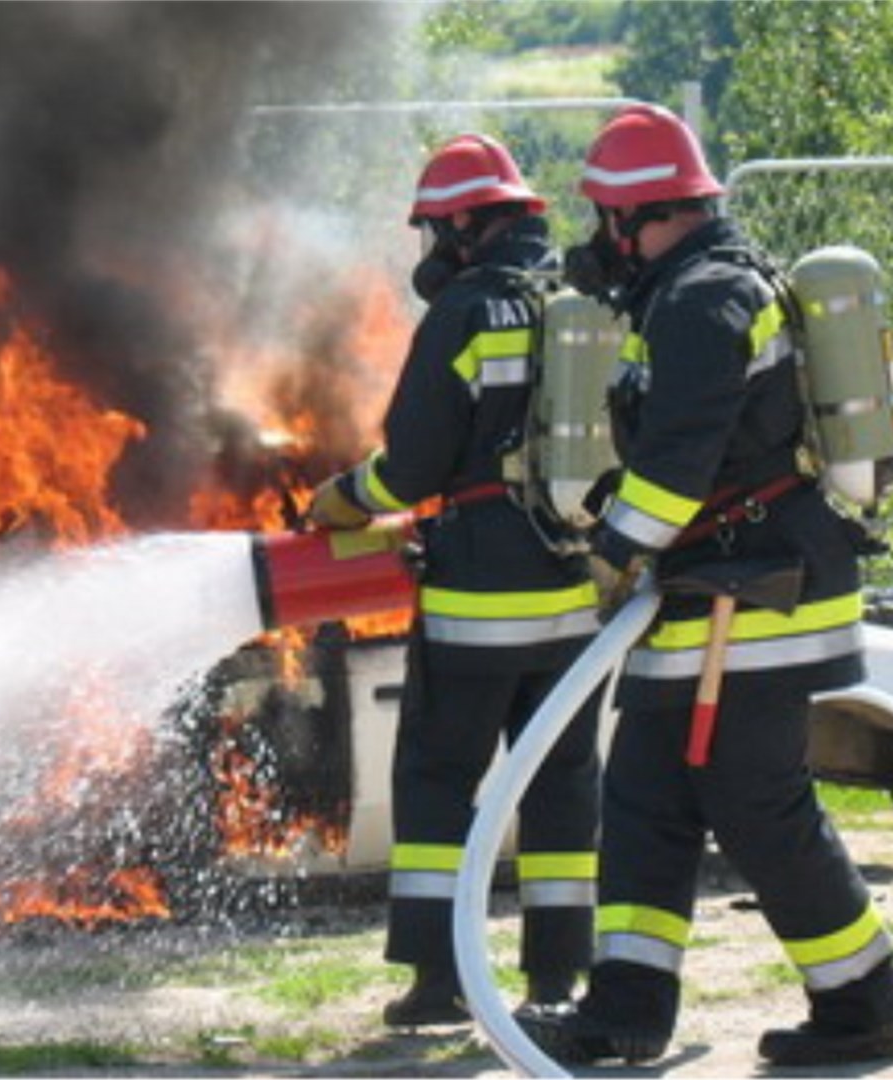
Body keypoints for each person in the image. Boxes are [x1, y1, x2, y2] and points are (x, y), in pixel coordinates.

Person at [525, 104, 893, 1067]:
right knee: (646, 798)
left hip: (762, 597)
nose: (599, 240)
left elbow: (679, 463)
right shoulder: (693, 290)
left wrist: (614, 550)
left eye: (607, 217)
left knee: (755, 805)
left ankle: (865, 1002)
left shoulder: (704, 300)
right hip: (714, 589)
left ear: (639, 216)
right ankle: (627, 1011)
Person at [305, 133, 604, 1028]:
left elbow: (413, 467)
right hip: (574, 596)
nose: (431, 249)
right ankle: (557, 981)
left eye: (435, 229)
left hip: (478, 601)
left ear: (468, 225)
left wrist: (343, 500)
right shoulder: (583, 301)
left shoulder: (467, 313)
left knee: (438, 782)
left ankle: (440, 980)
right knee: (560, 788)